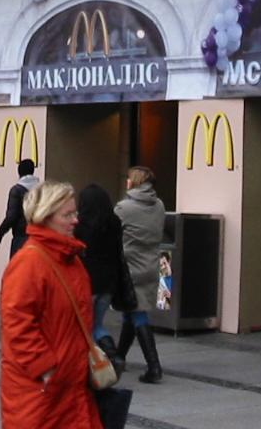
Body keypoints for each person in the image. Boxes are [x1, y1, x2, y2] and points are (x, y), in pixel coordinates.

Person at [0, 180, 102, 428]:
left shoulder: (69, 258)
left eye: (75, 213)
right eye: (67, 215)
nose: (75, 220)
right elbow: (17, 324)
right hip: (42, 390)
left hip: (70, 385)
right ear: (45, 217)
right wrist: (46, 368)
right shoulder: (30, 261)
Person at [114, 165, 165, 384]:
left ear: (134, 181)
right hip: (151, 264)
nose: (126, 181)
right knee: (132, 310)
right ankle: (119, 357)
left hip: (130, 266)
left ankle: (154, 366)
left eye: (128, 178)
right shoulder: (159, 205)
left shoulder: (123, 208)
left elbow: (113, 234)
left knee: (137, 314)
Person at [75, 183, 125, 371]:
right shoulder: (114, 222)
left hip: (87, 280)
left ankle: (88, 364)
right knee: (98, 325)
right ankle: (113, 355)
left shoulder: (81, 225)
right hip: (109, 281)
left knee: (83, 325)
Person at [0, 158, 39, 257]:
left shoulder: (16, 190)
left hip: (21, 239)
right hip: (38, 240)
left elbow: (11, 217)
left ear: (19, 173)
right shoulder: (41, 190)